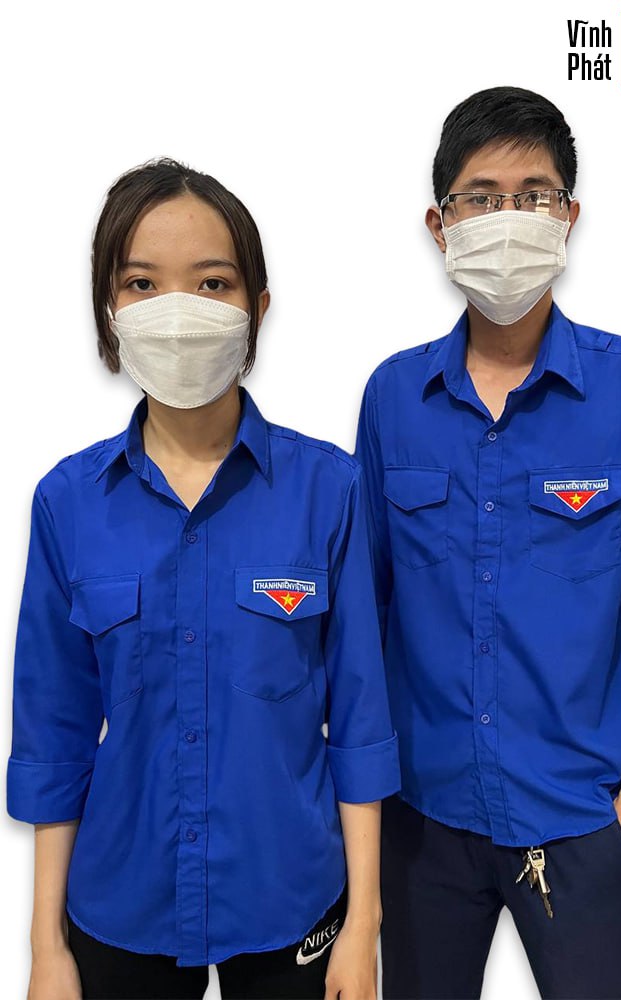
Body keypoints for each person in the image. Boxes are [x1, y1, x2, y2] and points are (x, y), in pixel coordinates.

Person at [354, 86, 621, 1000]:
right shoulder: (392, 398)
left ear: (569, 216)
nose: (509, 217)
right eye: (481, 197)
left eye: (533, 195)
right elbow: (367, 615)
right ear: (439, 224)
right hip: (422, 821)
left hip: (582, 821)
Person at [6, 157, 400, 1000]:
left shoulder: (329, 489)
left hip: (293, 894)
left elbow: (362, 721)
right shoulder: (67, 502)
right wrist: (45, 946)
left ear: (258, 306)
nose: (178, 312)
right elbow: (53, 735)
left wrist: (363, 925)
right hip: (121, 900)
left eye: (212, 282)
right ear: (109, 312)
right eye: (142, 283)